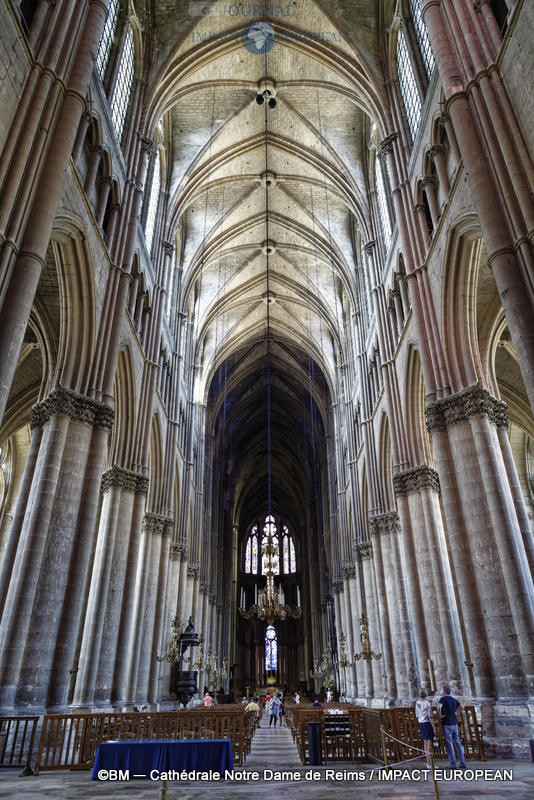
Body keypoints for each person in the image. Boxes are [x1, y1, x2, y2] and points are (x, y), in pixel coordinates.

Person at [438, 684, 467, 768]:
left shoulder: (443, 698)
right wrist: (456, 712)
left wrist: (440, 715)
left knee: (449, 744)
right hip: (454, 723)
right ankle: (462, 762)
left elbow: (439, 707)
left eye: (442, 690)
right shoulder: (454, 699)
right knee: (457, 743)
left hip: (447, 723)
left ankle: (453, 764)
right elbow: (462, 706)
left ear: (444, 691)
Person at [415, 688, 435, 768]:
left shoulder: (417, 703)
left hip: (421, 723)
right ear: (426, 694)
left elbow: (417, 714)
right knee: (429, 744)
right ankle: (429, 764)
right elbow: (430, 716)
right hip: (427, 723)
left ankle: (428, 763)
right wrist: (433, 727)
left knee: (425, 744)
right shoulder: (427, 703)